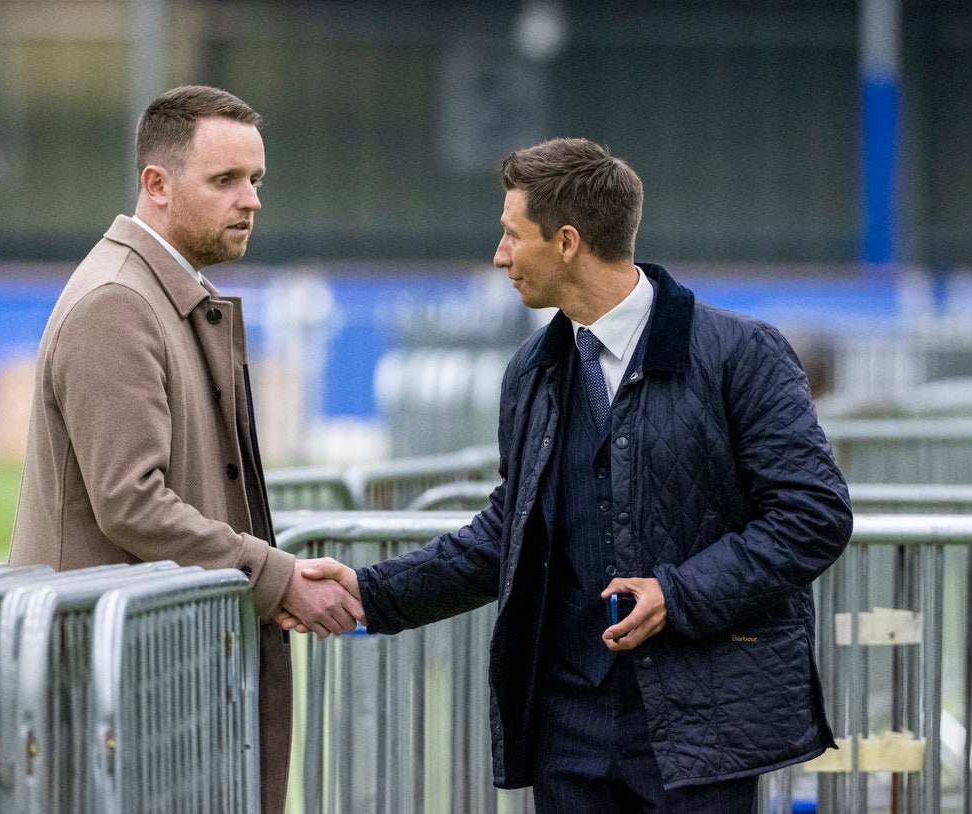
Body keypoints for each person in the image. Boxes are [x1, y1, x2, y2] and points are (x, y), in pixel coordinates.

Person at [288, 137, 852, 813]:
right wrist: (373, 591)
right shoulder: (530, 372)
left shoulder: (742, 354)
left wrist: (677, 594)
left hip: (702, 729)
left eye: (509, 235)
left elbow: (814, 516)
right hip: (568, 731)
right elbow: (509, 530)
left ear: (566, 242)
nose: (499, 256)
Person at [7, 85, 361, 814]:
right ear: (157, 185)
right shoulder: (118, 303)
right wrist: (276, 575)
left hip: (150, 678)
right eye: (226, 180)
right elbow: (131, 501)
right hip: (109, 688)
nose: (251, 200)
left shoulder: (161, 295)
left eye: (256, 180)